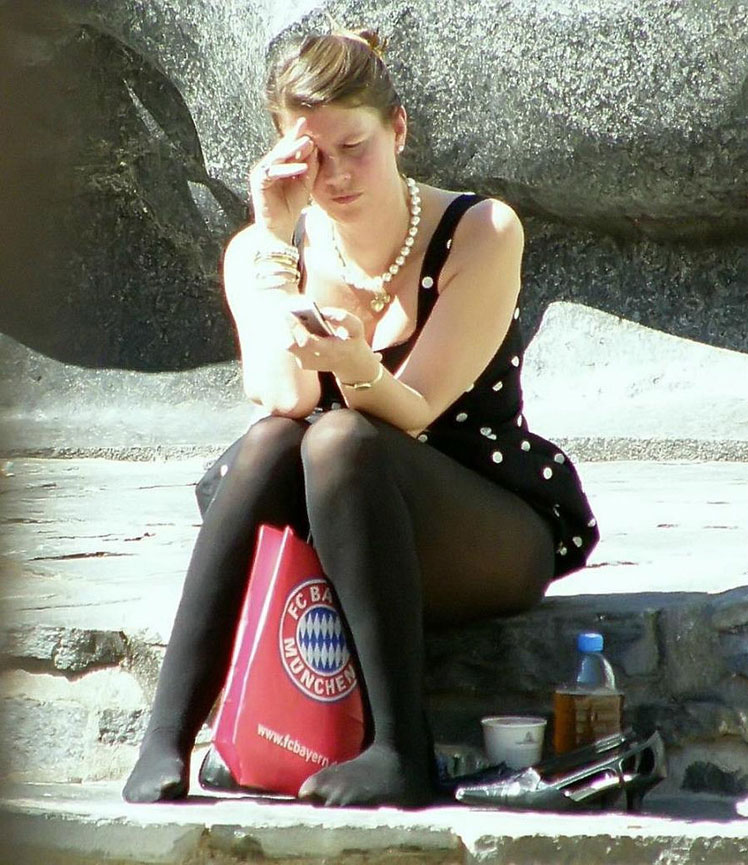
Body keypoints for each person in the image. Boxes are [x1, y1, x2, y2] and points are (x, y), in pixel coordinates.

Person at [123, 26, 599, 808]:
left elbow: (414, 409)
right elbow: (283, 395)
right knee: (276, 440)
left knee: (343, 436)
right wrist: (273, 240)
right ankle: (167, 736)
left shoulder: (481, 231)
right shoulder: (260, 252)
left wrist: (356, 367)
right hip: (344, 532)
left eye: (355, 147)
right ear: (281, 156)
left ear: (398, 129)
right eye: (314, 156)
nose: (338, 175)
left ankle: (400, 749)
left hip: (479, 523)